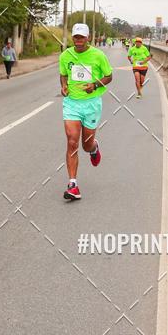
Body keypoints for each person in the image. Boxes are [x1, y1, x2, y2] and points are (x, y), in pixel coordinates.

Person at [59, 23, 113, 201]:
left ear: (88, 37)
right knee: (72, 141)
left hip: (91, 104)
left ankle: (94, 148)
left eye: (82, 37)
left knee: (85, 145)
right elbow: (63, 74)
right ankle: (73, 185)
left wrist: (95, 85)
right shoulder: (66, 55)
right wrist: (64, 85)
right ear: (73, 37)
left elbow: (109, 76)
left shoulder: (98, 55)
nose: (79, 40)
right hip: (72, 104)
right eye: (76, 37)